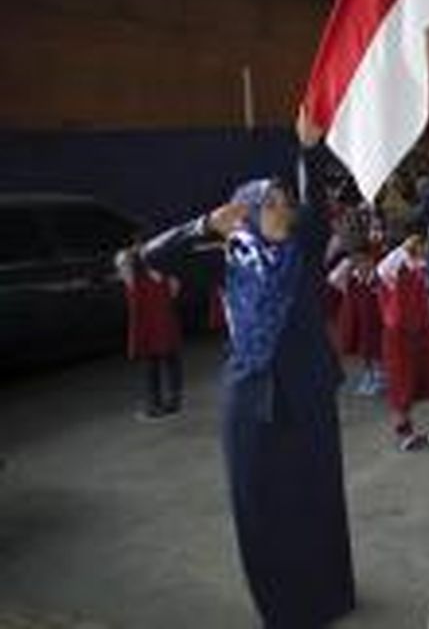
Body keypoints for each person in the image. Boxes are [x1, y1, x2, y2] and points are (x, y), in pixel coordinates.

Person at [134, 107, 355, 628]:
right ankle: (282, 608)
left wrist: (309, 149)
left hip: (308, 393)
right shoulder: (229, 256)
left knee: (316, 497)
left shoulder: (303, 247)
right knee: (259, 507)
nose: (283, 210)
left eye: (285, 202)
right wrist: (206, 223)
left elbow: (316, 199)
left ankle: (330, 594)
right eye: (270, 203)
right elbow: (152, 256)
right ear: (249, 211)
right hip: (248, 399)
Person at [377, 233, 429, 451]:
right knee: (403, 384)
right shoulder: (394, 270)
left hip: (423, 334)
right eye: (418, 245)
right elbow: (382, 269)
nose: (421, 248)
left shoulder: (423, 270)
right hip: (399, 337)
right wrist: (404, 247)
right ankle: (405, 431)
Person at [115, 247, 183, 421]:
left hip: (149, 322)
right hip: (162, 321)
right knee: (168, 359)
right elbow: (174, 289)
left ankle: (156, 405)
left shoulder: (136, 269)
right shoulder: (162, 268)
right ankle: (171, 402)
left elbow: (127, 274)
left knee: (154, 362)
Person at [327, 245, 384, 396]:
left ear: (371, 261)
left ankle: (379, 377)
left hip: (377, 321)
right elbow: (332, 279)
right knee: (364, 350)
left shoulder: (378, 277)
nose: (361, 265)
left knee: (377, 349)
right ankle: (368, 375)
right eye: (358, 262)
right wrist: (347, 264)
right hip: (360, 321)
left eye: (364, 261)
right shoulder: (352, 278)